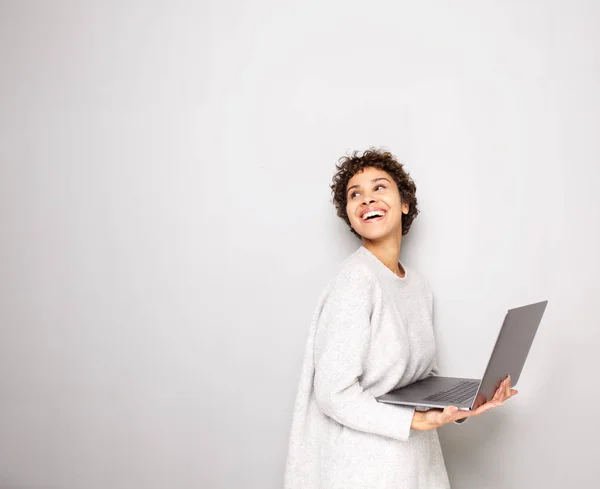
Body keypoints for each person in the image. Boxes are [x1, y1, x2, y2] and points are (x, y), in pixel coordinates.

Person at [283, 149, 517, 489]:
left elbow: (419, 378)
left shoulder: (418, 286)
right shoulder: (356, 280)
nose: (366, 199)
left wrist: (464, 402)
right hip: (365, 467)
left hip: (413, 461)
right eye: (355, 194)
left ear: (404, 203)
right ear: (349, 215)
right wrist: (415, 421)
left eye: (379, 187)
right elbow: (332, 394)